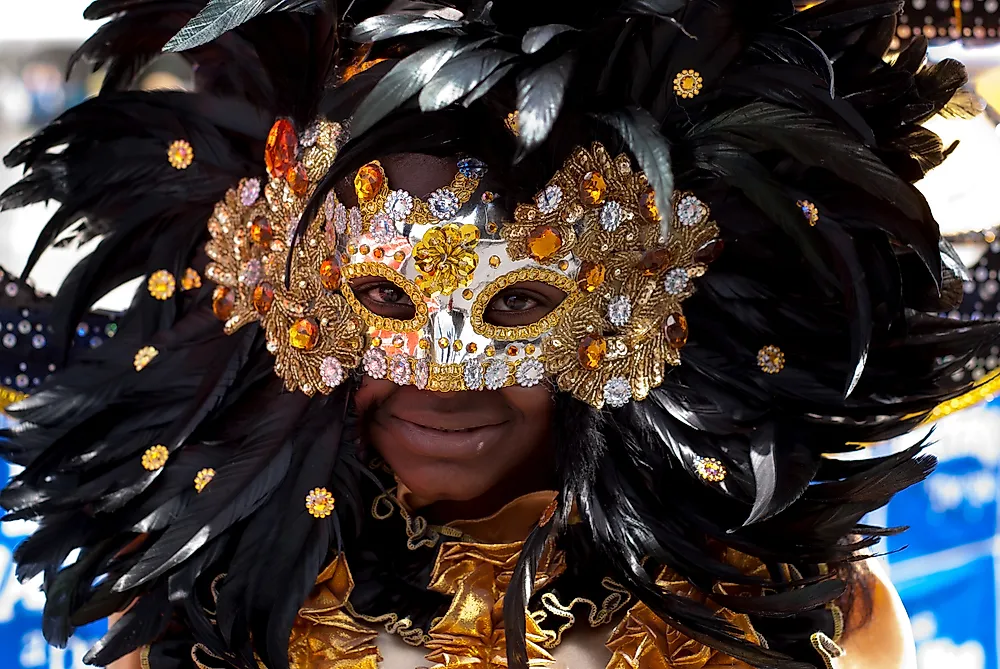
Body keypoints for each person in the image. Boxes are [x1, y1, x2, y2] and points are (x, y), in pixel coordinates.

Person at [0, 1, 994, 667]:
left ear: (645, 295)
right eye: (385, 299)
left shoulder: (798, 606)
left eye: (515, 304)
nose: (445, 375)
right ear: (287, 291)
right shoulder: (202, 614)